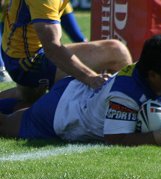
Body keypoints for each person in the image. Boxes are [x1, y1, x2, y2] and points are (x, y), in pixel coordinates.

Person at [0, 34, 161, 146]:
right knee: (5, 125)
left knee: (21, 108)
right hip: (59, 115)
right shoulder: (126, 92)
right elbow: (116, 139)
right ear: (154, 76)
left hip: (78, 93)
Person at [0, 0, 132, 110]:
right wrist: (91, 78)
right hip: (29, 60)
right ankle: (131, 109)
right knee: (117, 51)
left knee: (28, 101)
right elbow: (52, 47)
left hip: (18, 54)